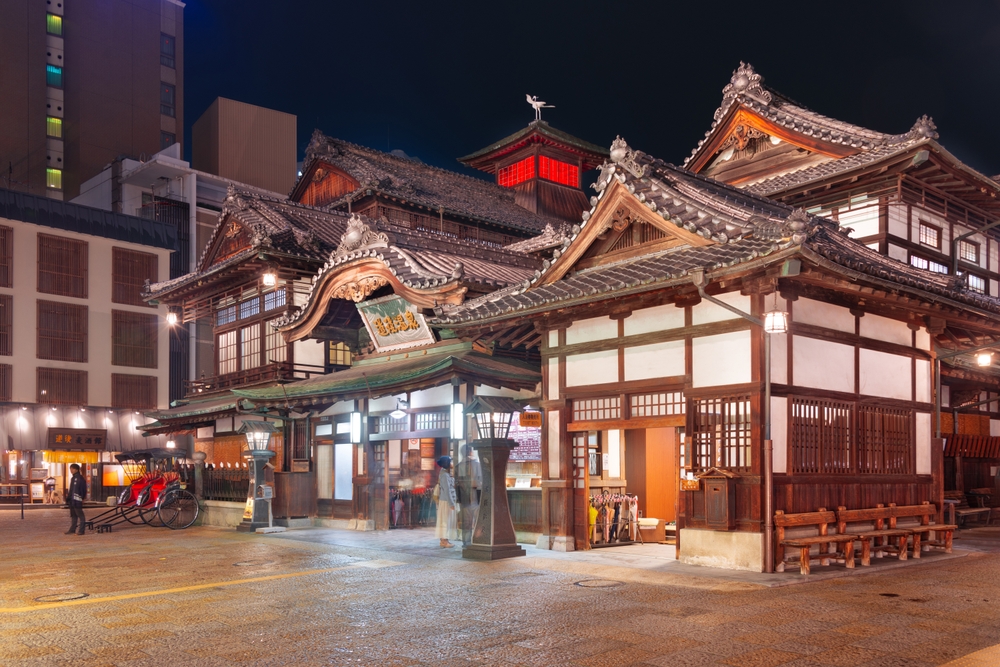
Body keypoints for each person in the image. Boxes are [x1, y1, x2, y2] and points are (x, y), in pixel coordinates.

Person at [455, 444, 481, 547]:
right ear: (470, 452)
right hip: (476, 498)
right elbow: (481, 482)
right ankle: (478, 541)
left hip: (464, 499)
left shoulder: (458, 466)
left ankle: (466, 542)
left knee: (466, 522)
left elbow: (457, 484)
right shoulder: (478, 465)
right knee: (478, 521)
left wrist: (459, 498)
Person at [434, 456, 457, 548]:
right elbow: (447, 490)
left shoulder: (445, 474)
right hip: (446, 501)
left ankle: (444, 540)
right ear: (447, 464)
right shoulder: (444, 475)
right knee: (445, 521)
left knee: (445, 520)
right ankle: (444, 540)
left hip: (446, 500)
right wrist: (451, 503)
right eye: (450, 462)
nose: (452, 464)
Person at [66, 464, 87, 535]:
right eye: (70, 469)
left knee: (80, 515)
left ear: (76, 469)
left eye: (72, 469)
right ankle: (72, 529)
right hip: (73, 499)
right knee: (73, 515)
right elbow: (71, 490)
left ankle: (81, 530)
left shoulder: (79, 478)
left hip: (76, 500)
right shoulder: (74, 478)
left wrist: (82, 498)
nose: (71, 470)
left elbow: (82, 489)